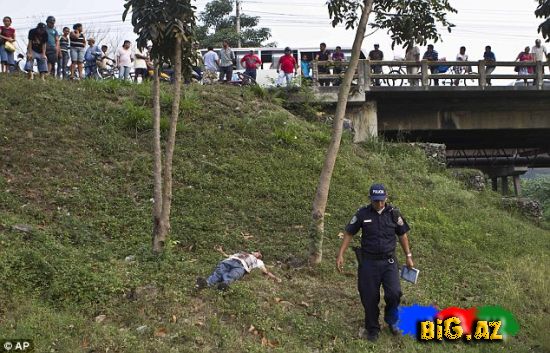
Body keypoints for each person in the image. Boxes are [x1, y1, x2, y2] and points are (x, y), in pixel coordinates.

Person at [336, 183, 414, 342]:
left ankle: (392, 321)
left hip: (388, 262)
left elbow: (402, 235)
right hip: (369, 263)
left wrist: (408, 255)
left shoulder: (393, 214)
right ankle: (372, 328)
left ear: (386, 197)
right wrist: (340, 254)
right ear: (371, 199)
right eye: (376, 200)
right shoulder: (362, 214)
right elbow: (349, 233)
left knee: (394, 293)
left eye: (381, 200)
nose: (379, 204)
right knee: (369, 297)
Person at [195, 246, 282, 291]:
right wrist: (221, 251)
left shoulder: (258, 261)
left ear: (260, 257)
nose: (257, 254)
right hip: (230, 261)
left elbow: (265, 271)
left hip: (241, 266)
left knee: (232, 275)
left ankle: (223, 286)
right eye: (257, 252)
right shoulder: (243, 253)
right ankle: (206, 283)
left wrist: (275, 278)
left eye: (259, 254)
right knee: (219, 272)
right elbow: (228, 256)